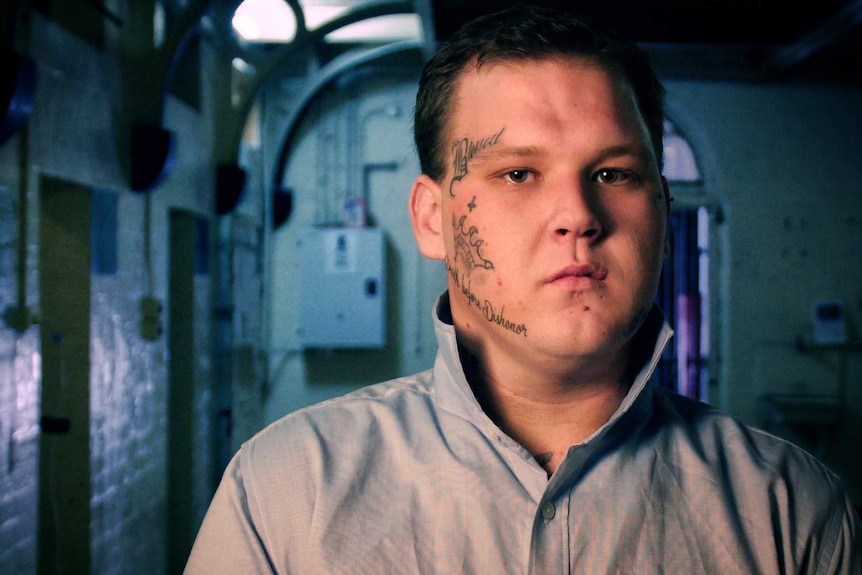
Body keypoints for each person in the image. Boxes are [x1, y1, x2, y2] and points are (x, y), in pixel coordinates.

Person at [184, 4, 862, 573]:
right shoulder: (281, 495)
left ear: (661, 206)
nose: (577, 215)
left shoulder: (793, 511)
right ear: (431, 218)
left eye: (615, 173)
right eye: (517, 174)